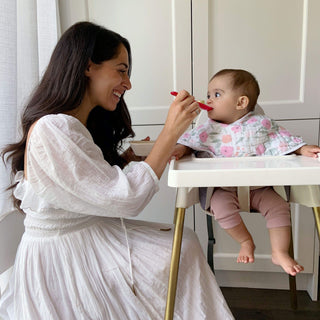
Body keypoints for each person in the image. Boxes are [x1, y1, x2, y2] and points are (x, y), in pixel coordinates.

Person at [0, 22, 234, 319]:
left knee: (183, 243)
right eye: (121, 70)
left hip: (82, 234)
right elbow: (126, 198)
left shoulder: (70, 126)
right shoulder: (53, 128)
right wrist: (169, 134)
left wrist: (126, 159)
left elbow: (85, 182)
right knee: (180, 247)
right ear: (88, 67)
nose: (128, 83)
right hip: (63, 255)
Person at [172, 69, 320, 277]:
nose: (209, 100)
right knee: (220, 206)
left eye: (216, 94)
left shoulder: (260, 125)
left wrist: (301, 149)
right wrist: (181, 149)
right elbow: (191, 143)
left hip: (259, 188)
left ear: (241, 102)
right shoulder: (208, 129)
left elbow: (282, 140)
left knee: (279, 206)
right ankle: (245, 240)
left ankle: (279, 252)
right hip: (223, 189)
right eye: (208, 95)